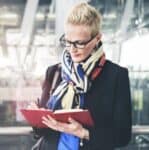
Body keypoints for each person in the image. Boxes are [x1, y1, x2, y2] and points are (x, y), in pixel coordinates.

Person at [30, 2, 132, 150]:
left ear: (97, 39)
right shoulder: (53, 72)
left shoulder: (116, 76)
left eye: (79, 43)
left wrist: (83, 132)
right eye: (68, 42)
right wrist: (37, 119)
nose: (72, 49)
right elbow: (42, 133)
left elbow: (123, 136)